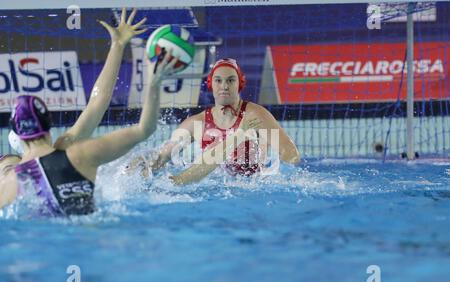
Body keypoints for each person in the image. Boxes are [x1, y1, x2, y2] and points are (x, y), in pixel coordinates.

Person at [0, 45, 180, 215]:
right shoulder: (79, 154)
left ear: (20, 137)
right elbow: (143, 129)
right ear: (49, 127)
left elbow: (97, 102)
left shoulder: (10, 186)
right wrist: (153, 81)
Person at [1, 8, 146, 175]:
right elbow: (97, 104)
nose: (18, 172)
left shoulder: (61, 155)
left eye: (14, 167)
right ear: (48, 133)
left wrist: (118, 46)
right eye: (9, 170)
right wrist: (117, 45)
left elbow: (97, 104)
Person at [128, 58, 300, 184]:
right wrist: (139, 166)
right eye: (218, 80)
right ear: (211, 84)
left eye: (230, 80)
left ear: (240, 83)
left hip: (254, 186)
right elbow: (161, 159)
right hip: (215, 186)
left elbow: (292, 156)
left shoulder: (254, 114)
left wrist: (267, 144)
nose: (224, 86)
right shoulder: (197, 123)